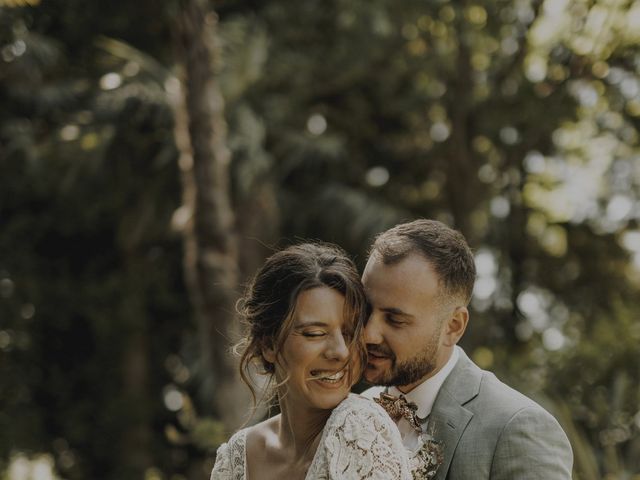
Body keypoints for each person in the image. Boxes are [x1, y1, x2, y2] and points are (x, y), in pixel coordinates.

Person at [361, 219, 573, 479]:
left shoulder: (516, 427)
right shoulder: (354, 409)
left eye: (395, 320)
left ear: (453, 326)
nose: (368, 334)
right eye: (365, 310)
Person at [211, 243, 411, 480]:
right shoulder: (238, 455)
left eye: (349, 335)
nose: (341, 352)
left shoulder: (359, 428)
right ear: (269, 345)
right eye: (315, 334)